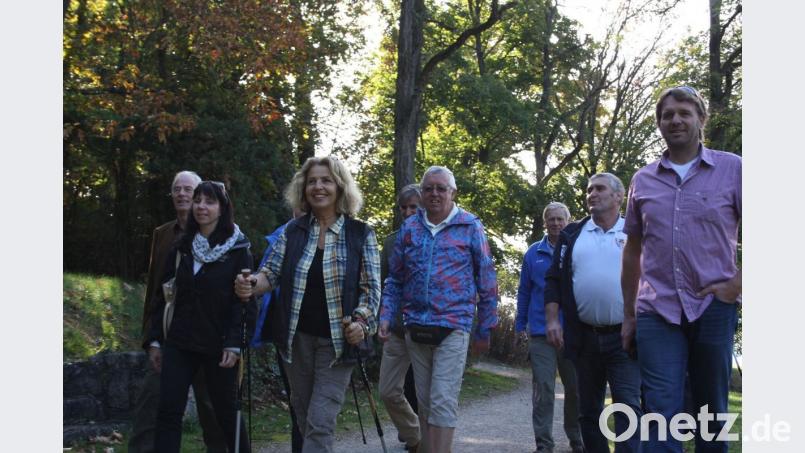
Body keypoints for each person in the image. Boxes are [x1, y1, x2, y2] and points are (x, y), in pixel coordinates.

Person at [621, 86, 741, 453]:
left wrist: (735, 285)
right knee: (659, 412)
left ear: (701, 119)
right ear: (659, 123)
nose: (675, 120)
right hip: (657, 310)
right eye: (668, 114)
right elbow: (633, 250)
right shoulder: (643, 180)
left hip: (714, 308)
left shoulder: (734, 169)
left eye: (684, 113)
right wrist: (629, 316)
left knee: (711, 413)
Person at [234, 156, 381, 453]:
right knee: (303, 419)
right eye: (312, 181)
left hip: (337, 344)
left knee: (320, 421)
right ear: (303, 188)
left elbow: (372, 291)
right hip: (294, 341)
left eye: (326, 180)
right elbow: (269, 275)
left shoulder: (360, 234)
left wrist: (362, 322)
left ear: (340, 187)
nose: (318, 187)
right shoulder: (293, 231)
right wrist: (250, 285)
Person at [380, 165, 499, 453]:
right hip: (416, 326)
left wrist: (484, 327)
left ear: (452, 192)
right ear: (421, 193)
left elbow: (486, 278)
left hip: (453, 326)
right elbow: (395, 278)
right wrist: (386, 315)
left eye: (441, 188)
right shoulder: (410, 228)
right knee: (425, 401)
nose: (434, 193)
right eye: (429, 188)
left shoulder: (470, 226)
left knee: (443, 400)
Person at [145, 180, 256, 453]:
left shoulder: (238, 249)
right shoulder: (182, 246)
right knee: (168, 412)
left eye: (209, 201)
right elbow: (164, 295)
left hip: (218, 346)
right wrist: (156, 340)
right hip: (179, 342)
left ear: (222, 207)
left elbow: (244, 303)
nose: (201, 207)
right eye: (198, 201)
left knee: (226, 414)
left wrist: (234, 343)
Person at [128, 171, 227, 453]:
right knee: (152, 407)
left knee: (214, 412)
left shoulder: (224, 236)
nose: (182, 194)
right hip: (169, 338)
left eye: (189, 190)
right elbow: (155, 291)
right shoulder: (162, 235)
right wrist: (152, 339)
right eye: (177, 189)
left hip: (209, 341)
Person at [544, 173, 642, 453]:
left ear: (619, 196)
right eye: (588, 190)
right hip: (584, 337)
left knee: (627, 408)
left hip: (625, 336)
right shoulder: (571, 234)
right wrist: (553, 320)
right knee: (589, 411)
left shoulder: (634, 232)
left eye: (599, 189)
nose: (591, 194)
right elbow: (553, 280)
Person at [516, 201, 583, 453]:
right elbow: (524, 291)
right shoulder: (534, 253)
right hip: (541, 334)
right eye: (551, 219)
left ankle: (576, 437)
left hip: (572, 333)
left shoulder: (576, 249)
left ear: (568, 220)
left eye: (560, 219)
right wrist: (520, 324)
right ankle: (543, 443)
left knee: (575, 389)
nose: (555, 223)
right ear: (545, 222)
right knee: (543, 389)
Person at [251, 208, 305, 453]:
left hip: (322, 334)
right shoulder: (279, 238)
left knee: (317, 405)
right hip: (286, 332)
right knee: (298, 400)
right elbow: (264, 279)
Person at [378, 184, 423, 453]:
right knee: (388, 390)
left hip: (427, 328)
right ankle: (417, 436)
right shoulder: (391, 241)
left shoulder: (439, 237)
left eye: (413, 207)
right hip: (396, 327)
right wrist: (382, 318)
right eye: (403, 207)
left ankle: (428, 441)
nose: (407, 212)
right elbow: (385, 282)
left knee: (427, 393)